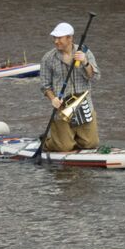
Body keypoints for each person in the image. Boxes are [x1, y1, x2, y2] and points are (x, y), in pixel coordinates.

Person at [40, 22, 100, 152]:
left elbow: (94, 77)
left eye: (59, 38)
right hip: (62, 108)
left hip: (84, 106)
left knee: (91, 143)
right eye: (54, 38)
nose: (56, 41)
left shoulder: (85, 52)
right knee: (64, 147)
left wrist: (85, 62)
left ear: (70, 38)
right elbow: (45, 86)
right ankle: (47, 141)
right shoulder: (48, 58)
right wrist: (53, 99)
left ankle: (73, 138)